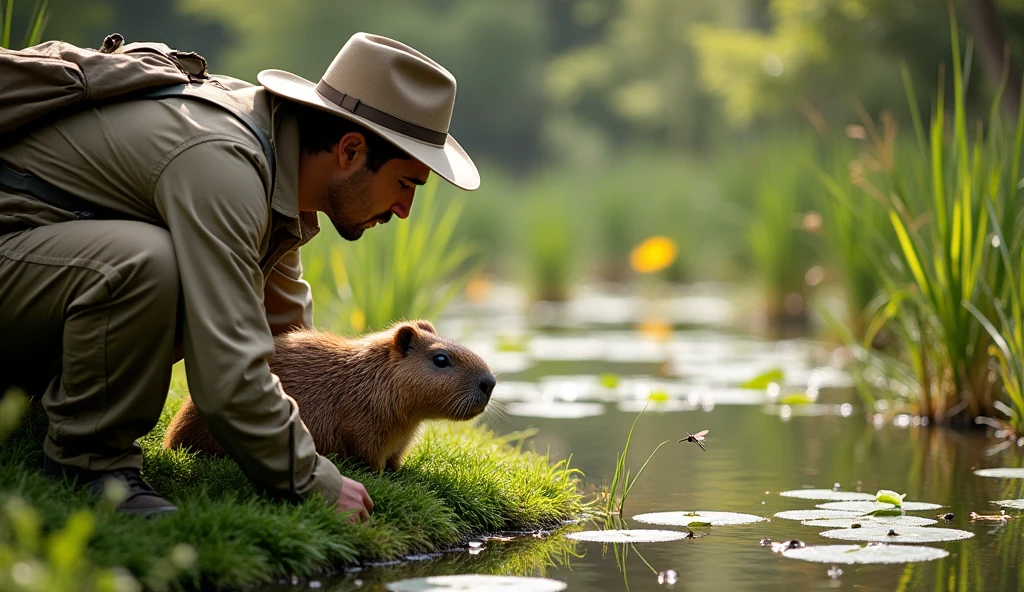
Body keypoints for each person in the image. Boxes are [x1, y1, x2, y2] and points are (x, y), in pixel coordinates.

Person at [0, 32, 479, 519]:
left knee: (167, 268)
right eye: (404, 183)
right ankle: (89, 466)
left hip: (32, 277)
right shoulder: (226, 164)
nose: (404, 209)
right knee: (147, 262)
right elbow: (228, 372)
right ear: (350, 150)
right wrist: (312, 479)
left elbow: (282, 340)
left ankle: (51, 410)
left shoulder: (276, 164)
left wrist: (312, 425)